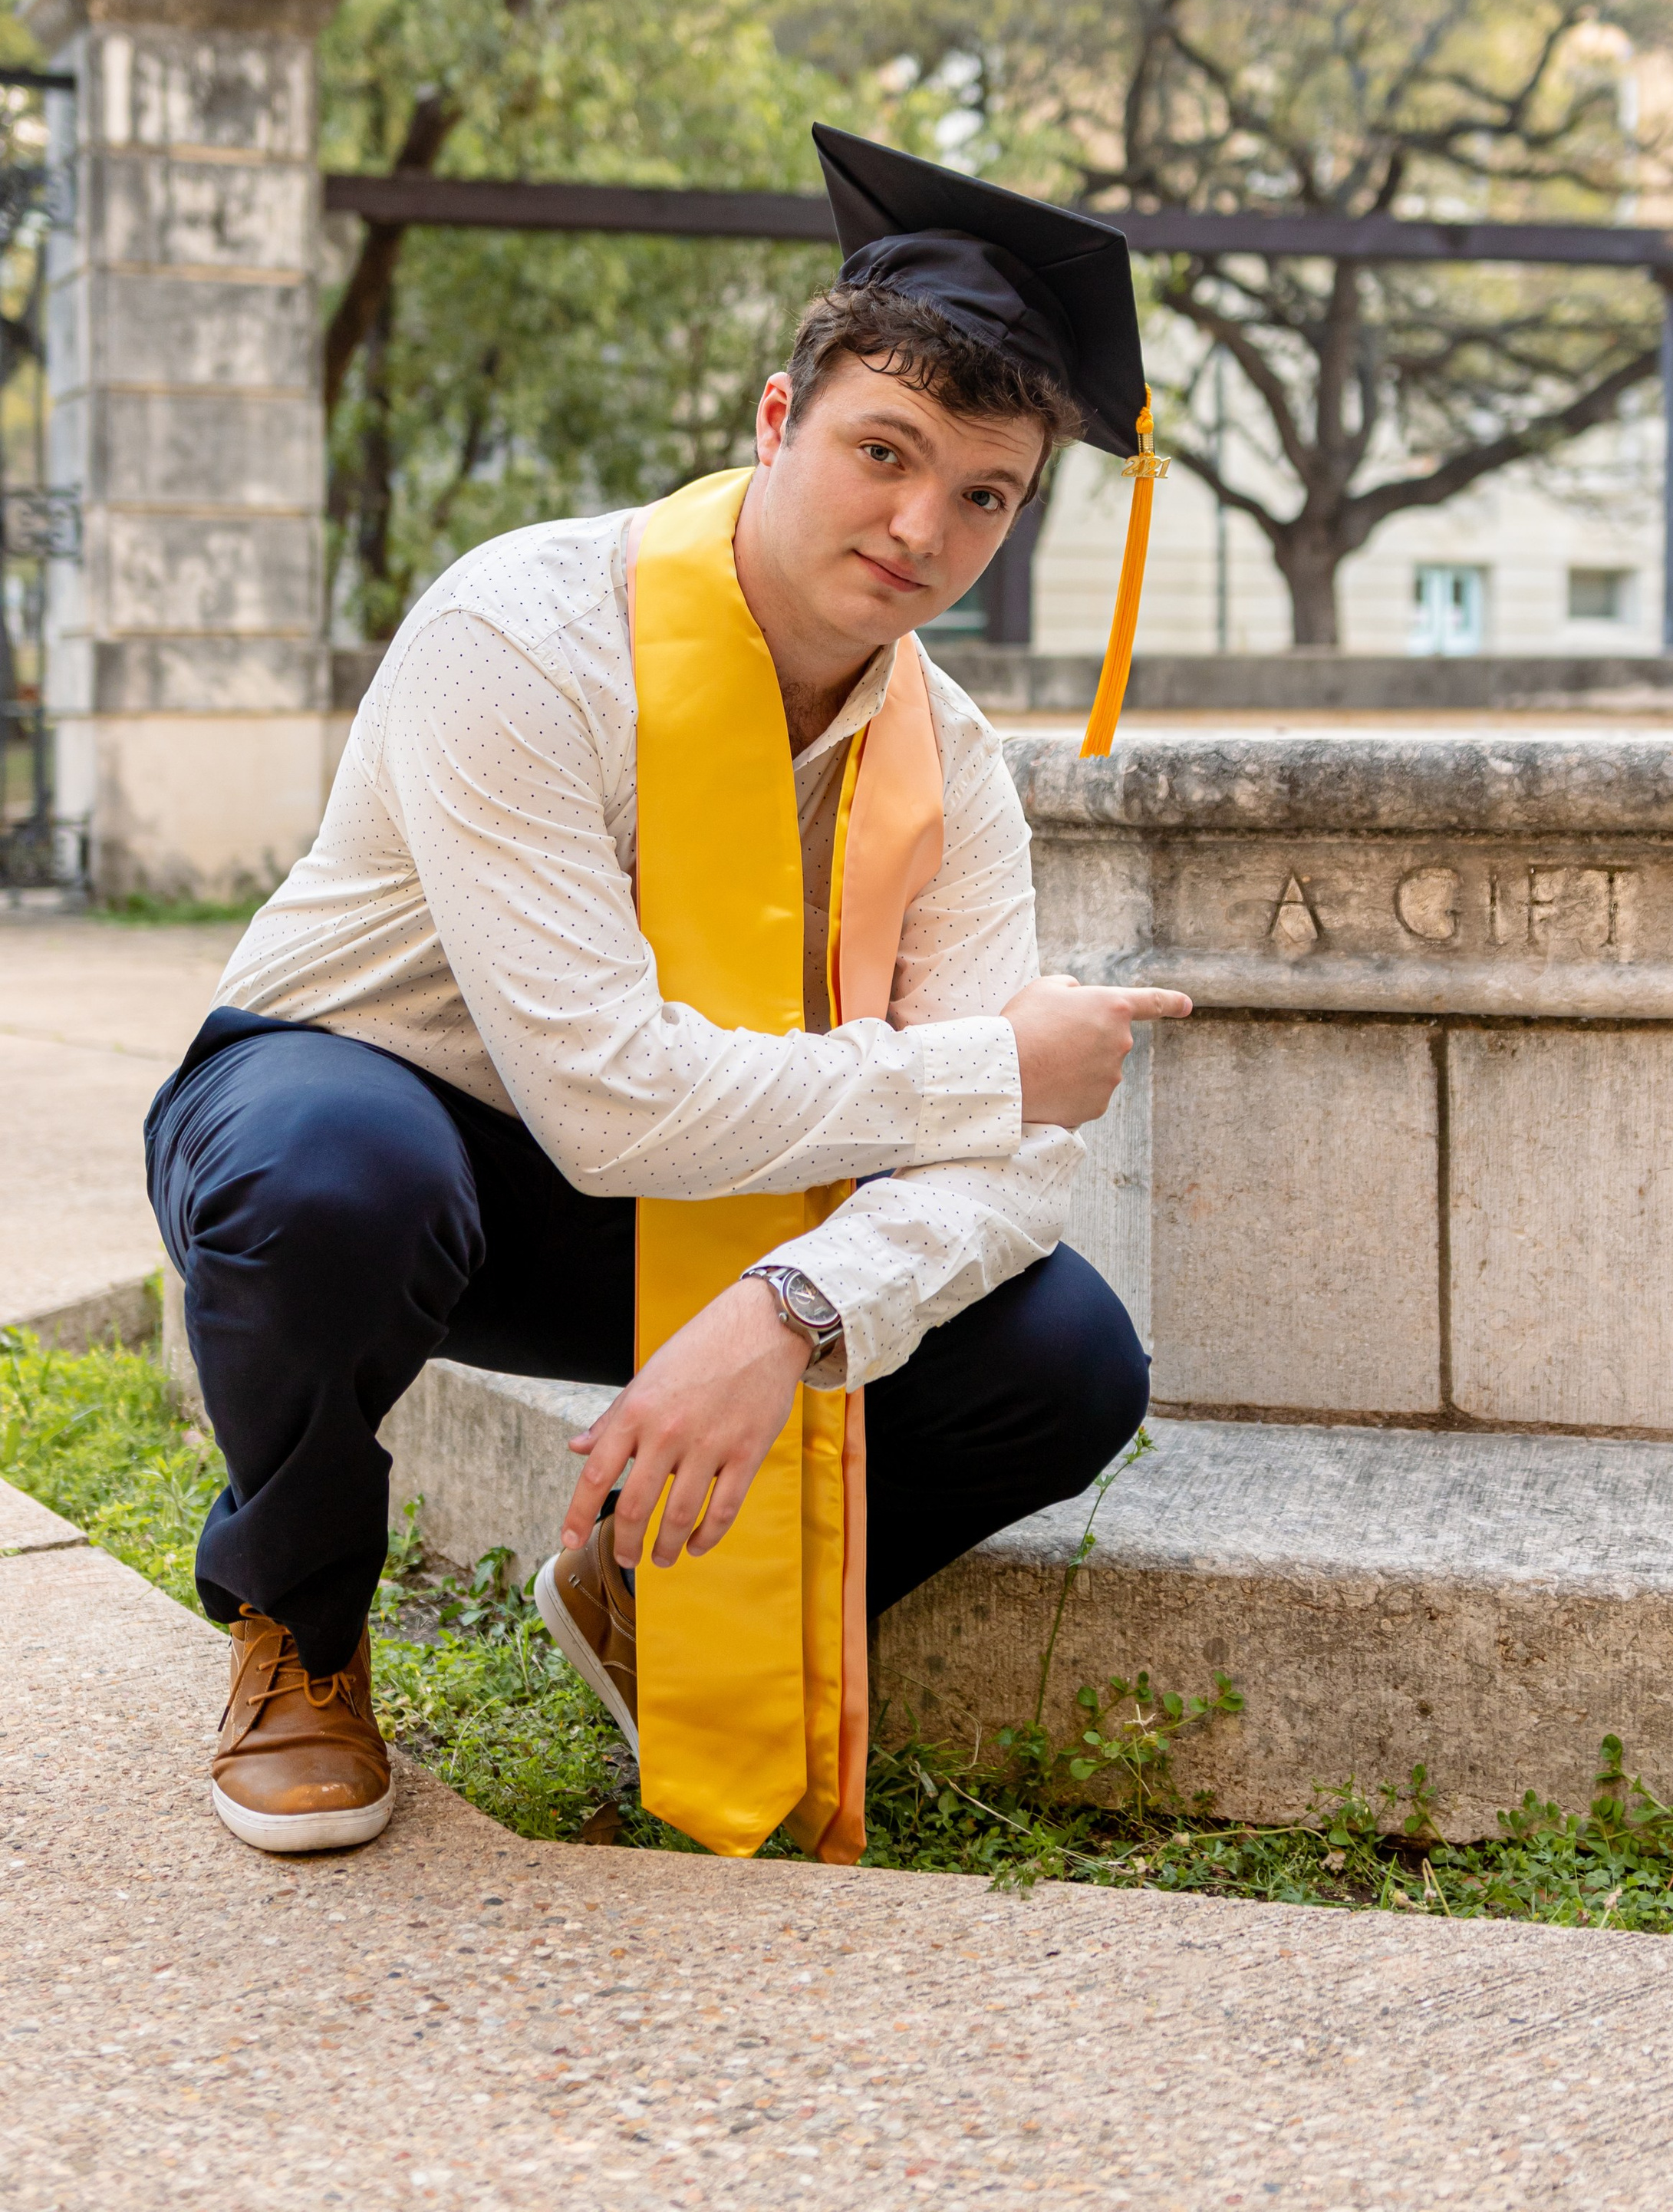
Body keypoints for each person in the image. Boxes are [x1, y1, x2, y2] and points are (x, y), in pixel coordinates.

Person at [147, 124, 1191, 1860]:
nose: (920, 527)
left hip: (686, 1190)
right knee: (334, 1181)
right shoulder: (524, 636)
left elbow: (1005, 1173)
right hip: (384, 1117)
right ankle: (299, 1627)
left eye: (983, 494)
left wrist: (791, 1306)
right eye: (883, 451)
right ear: (778, 424)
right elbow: (611, 1096)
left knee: (1066, 1357)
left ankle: (637, 1584)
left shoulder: (948, 759)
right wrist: (991, 1069)